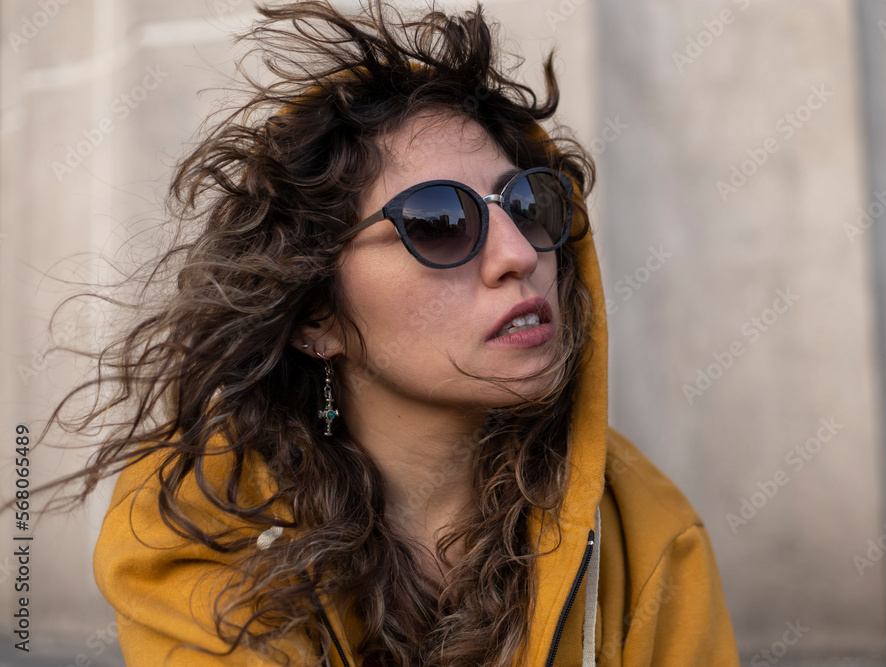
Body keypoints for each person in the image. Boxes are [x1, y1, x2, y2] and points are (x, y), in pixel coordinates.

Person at [49, 1, 740, 664]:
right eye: (440, 222)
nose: (518, 254)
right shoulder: (198, 523)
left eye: (528, 204)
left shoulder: (647, 534)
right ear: (316, 314)